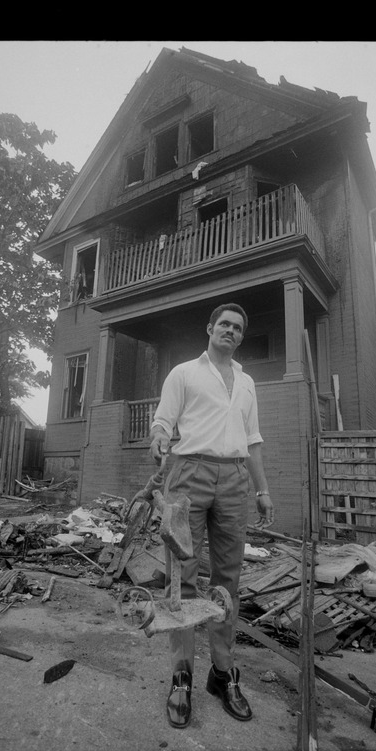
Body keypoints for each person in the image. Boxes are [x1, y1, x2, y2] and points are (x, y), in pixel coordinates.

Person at [149, 303, 274, 728]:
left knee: (228, 580)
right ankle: (181, 675)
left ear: (241, 336)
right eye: (225, 324)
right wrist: (160, 438)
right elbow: (163, 422)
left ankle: (222, 673)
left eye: (238, 328)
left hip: (235, 478)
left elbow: (253, 440)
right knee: (182, 578)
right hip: (189, 474)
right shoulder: (183, 372)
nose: (231, 331)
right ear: (210, 328)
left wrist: (263, 490)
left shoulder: (247, 382)